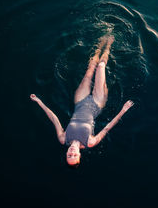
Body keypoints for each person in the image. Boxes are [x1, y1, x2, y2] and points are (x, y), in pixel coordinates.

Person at [30, 36, 134, 167]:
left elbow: (53, 118)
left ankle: (100, 43)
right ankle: (108, 45)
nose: (72, 153)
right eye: (75, 156)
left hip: (79, 102)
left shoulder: (63, 139)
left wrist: (39, 101)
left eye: (69, 155)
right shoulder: (90, 142)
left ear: (66, 153)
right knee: (101, 67)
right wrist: (123, 110)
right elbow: (107, 128)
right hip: (97, 103)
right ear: (79, 155)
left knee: (91, 69)